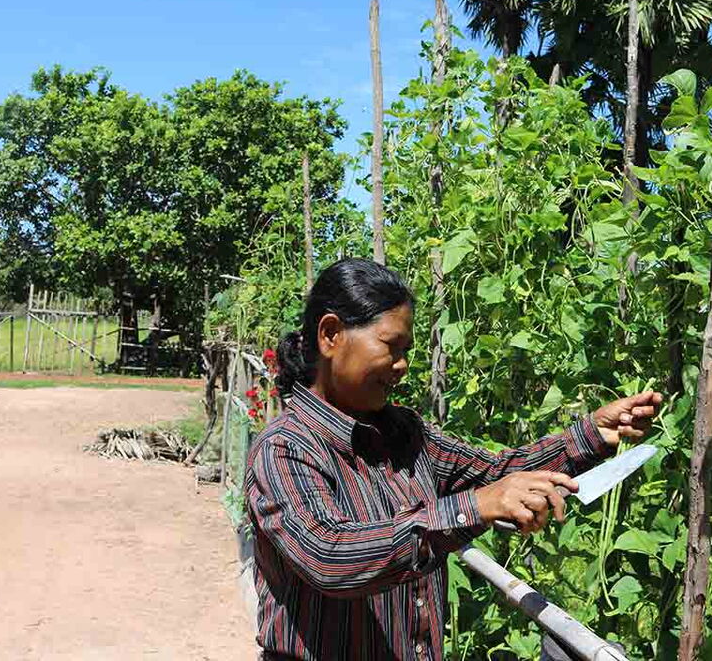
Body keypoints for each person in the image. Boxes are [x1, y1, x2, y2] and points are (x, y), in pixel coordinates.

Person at [245, 258, 659, 660]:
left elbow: (493, 475)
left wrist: (592, 435)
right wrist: (474, 507)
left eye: (407, 349)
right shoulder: (285, 449)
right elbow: (329, 557)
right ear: (331, 334)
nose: (403, 365)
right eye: (391, 346)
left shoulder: (404, 435)